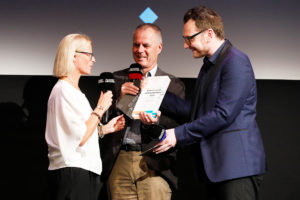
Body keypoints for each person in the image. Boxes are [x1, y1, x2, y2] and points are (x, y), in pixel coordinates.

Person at [152, 6, 267, 200]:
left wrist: (177, 135)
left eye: (189, 38)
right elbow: (197, 113)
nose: (186, 45)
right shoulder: (208, 67)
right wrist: (155, 93)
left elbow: (224, 114)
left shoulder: (235, 61)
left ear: (209, 34)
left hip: (236, 169)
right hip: (216, 170)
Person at [100, 24, 185, 200]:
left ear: (159, 48)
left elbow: (179, 126)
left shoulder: (172, 83)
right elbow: (100, 122)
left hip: (154, 161)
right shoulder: (117, 79)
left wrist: (156, 122)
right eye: (136, 45)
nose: (140, 50)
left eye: (146, 45)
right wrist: (118, 100)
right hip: (119, 159)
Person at [45, 33, 125, 200]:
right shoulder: (62, 91)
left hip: (83, 170)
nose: (93, 60)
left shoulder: (75, 92)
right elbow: (79, 137)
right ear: (74, 56)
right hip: (71, 172)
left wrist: (105, 129)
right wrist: (100, 107)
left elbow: (79, 132)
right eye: (89, 54)